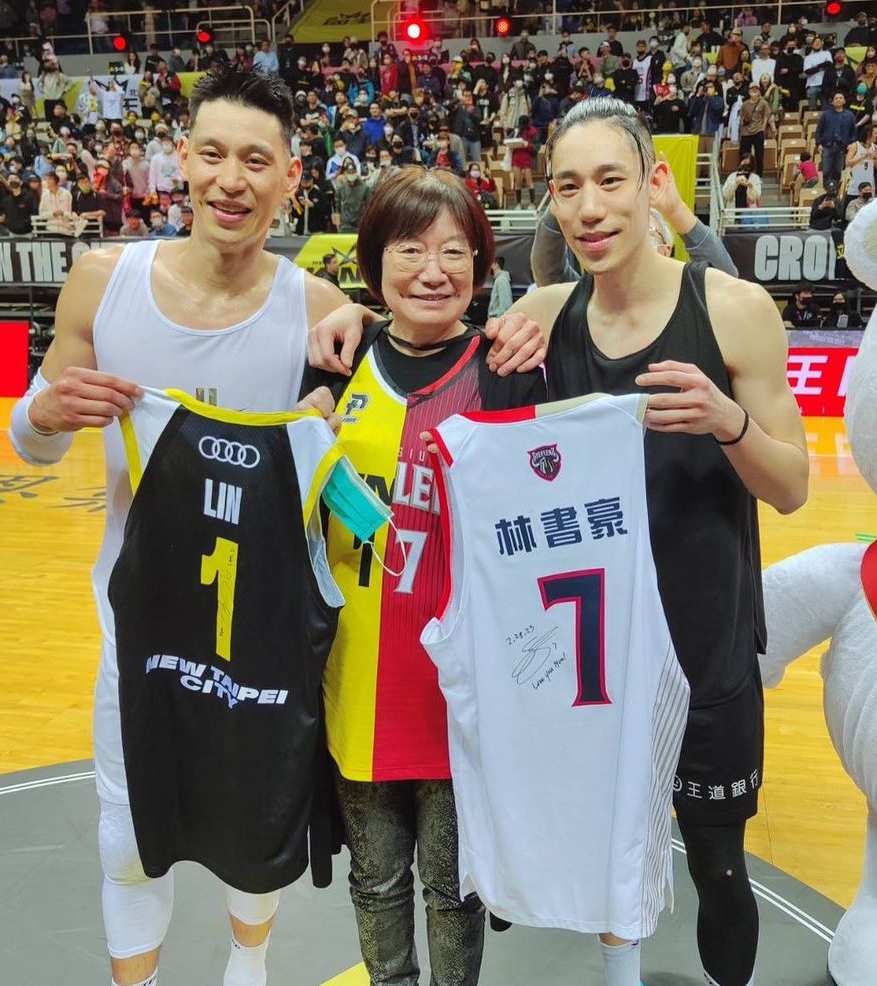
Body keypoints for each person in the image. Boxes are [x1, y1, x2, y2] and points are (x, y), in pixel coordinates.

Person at [308, 97, 808, 986]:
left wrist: (729, 422)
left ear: (654, 184)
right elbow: (427, 329)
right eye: (568, 187)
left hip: (704, 642)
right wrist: (347, 318)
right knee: (608, 868)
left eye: (611, 180)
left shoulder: (734, 311)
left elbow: (795, 488)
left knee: (719, 870)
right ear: (550, 202)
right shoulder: (539, 315)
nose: (591, 207)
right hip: (588, 666)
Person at [6, 64, 359, 986]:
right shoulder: (100, 281)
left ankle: (252, 969)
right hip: (140, 620)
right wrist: (43, 416)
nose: (229, 179)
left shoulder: (319, 312)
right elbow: (33, 438)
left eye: (255, 159)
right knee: (128, 834)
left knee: (254, 826)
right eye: (211, 154)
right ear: (182, 163)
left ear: (291, 176)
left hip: (265, 632)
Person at [302, 166, 546, 986]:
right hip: (359, 675)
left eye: (455, 251)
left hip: (463, 685)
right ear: (375, 267)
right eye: (410, 250)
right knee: (375, 881)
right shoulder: (340, 364)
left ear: (482, 267)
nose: (433, 270)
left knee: (453, 888)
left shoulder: (509, 368)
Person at [532, 150, 740, 284]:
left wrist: (675, 209)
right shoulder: (582, 300)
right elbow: (548, 270)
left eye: (647, 232)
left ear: (666, 250)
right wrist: (564, 194)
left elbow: (726, 281)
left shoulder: (686, 296)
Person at [815, 92, 857, 187]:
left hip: (842, 147)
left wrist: (852, 143)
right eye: (836, 98)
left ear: (844, 101)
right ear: (833, 102)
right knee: (826, 170)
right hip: (827, 146)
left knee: (838, 170)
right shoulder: (826, 114)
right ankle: (826, 190)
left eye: (840, 98)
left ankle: (836, 190)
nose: (838, 100)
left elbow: (854, 132)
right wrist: (818, 144)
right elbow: (819, 130)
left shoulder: (850, 115)